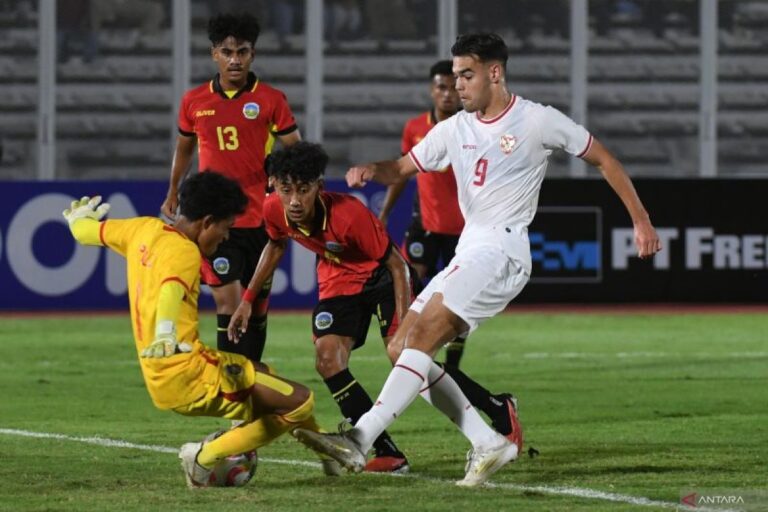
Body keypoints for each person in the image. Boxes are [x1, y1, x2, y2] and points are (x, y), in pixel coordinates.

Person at [294, 33, 662, 487]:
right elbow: (403, 167)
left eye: (466, 75)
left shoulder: (537, 120)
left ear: (495, 73)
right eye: (454, 76)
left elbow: (604, 159)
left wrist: (641, 222)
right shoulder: (454, 129)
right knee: (399, 346)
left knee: (420, 340)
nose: (458, 86)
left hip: (503, 248)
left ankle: (362, 438)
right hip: (472, 249)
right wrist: (373, 170)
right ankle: (488, 442)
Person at [227, 141, 521, 474]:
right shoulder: (272, 210)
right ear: (273, 187)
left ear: (318, 188)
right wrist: (247, 302)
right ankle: (386, 452)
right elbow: (276, 245)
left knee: (406, 355)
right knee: (327, 360)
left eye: (304, 190)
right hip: (338, 280)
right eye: (286, 189)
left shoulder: (349, 216)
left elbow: (397, 265)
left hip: (383, 278)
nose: (295, 200)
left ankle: (496, 407)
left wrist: (409, 323)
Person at [63, 172, 339, 487]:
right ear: (207, 222)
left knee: (267, 377)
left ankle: (330, 457)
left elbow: (88, 233)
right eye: (225, 229)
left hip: (163, 372)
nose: (225, 238)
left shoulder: (142, 228)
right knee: (299, 400)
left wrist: (77, 220)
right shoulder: (184, 251)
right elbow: (171, 290)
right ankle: (204, 457)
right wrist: (166, 332)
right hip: (189, 374)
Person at [161, 13, 300, 362]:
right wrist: (173, 189)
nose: (235, 59)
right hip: (217, 222)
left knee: (257, 306)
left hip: (261, 219)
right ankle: (234, 393)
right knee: (229, 302)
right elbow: (184, 148)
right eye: (227, 52)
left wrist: (284, 182)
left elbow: (296, 152)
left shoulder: (271, 100)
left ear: (253, 54)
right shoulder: (194, 101)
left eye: (242, 52)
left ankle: (250, 381)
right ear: (214, 54)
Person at [378, 59, 467, 367]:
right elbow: (402, 173)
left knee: (461, 297)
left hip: (464, 229)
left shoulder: (472, 127)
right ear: (432, 90)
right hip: (426, 223)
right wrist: (385, 212)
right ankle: (408, 348)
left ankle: (453, 366)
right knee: (408, 281)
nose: (448, 95)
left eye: (453, 88)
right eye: (441, 87)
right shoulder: (415, 128)